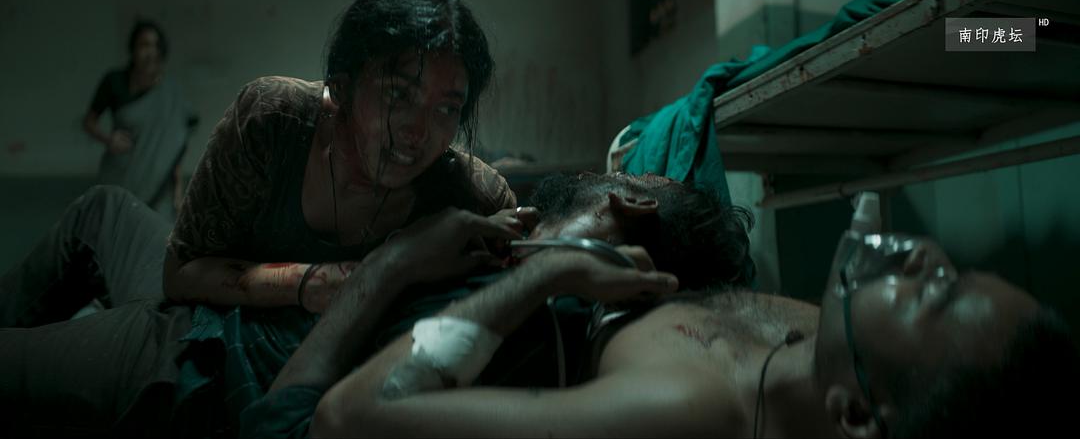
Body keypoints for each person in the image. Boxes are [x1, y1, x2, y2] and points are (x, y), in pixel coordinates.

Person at [0, 0, 517, 435]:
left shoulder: (468, 194)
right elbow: (181, 272)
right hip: (201, 307)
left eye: (447, 108)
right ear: (343, 85)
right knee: (103, 208)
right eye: (398, 94)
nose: (418, 130)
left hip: (208, 357)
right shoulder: (275, 119)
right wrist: (312, 281)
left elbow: (529, 263)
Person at [291, 225, 1078, 437]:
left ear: (857, 416)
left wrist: (547, 273)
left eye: (936, 295)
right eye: (955, 269)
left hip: (362, 369)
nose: (927, 257)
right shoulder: (820, 341)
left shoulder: (686, 410)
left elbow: (348, 419)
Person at [241, 170, 754, 438]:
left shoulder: (539, 323)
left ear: (634, 202)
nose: (587, 174)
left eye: (631, 173)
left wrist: (391, 263)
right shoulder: (510, 286)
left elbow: (279, 429)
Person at [83, 19, 198, 220]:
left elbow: (174, 148)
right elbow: (88, 122)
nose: (150, 52)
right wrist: (109, 139)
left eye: (155, 46)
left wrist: (178, 192)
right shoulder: (114, 81)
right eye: (144, 45)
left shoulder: (170, 92)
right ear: (133, 49)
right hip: (119, 177)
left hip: (160, 190)